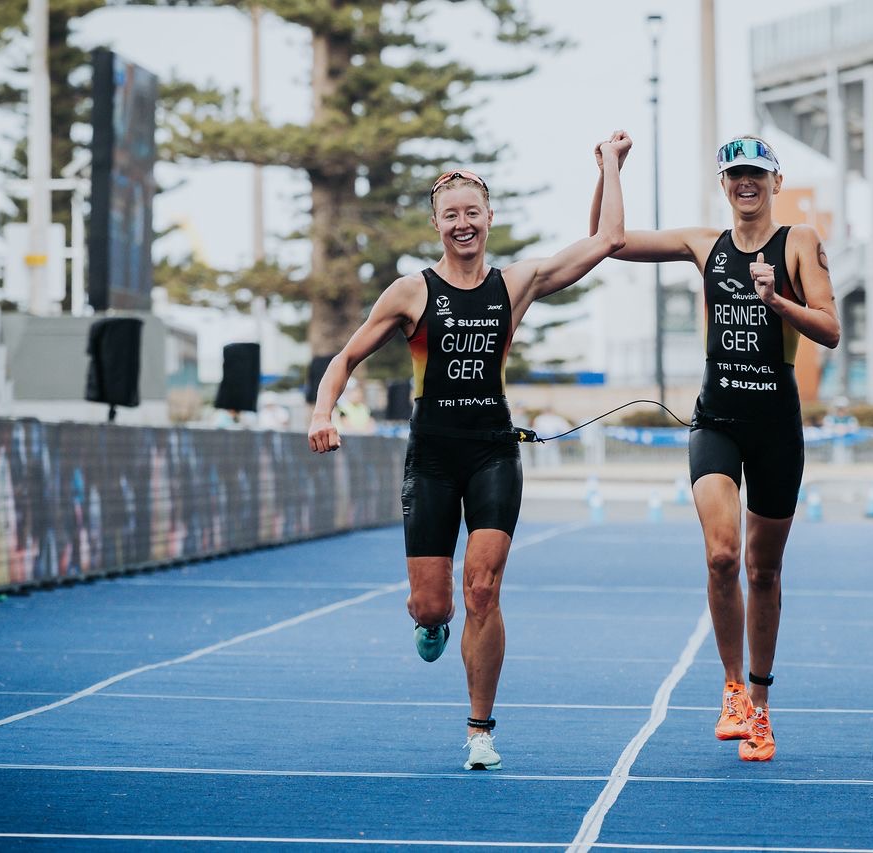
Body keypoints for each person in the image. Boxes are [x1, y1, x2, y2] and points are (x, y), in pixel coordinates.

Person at [309, 133, 629, 771]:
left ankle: (480, 729)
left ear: (489, 218)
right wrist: (324, 411)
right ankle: (430, 621)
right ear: (436, 224)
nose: (463, 223)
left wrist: (608, 169)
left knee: (483, 589)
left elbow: (608, 241)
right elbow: (344, 358)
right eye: (450, 214)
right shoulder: (411, 292)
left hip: (492, 453)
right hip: (430, 457)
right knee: (436, 603)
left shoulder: (518, 284)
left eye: (472, 212)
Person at [590, 134, 839, 761]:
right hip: (716, 421)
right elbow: (607, 240)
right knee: (723, 556)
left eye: (756, 173)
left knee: (764, 568)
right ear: (723, 185)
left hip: (777, 425)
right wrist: (610, 169)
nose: (744, 183)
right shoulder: (705, 245)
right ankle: (732, 689)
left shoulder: (800, 242)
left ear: (775, 182)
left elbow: (831, 329)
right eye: (734, 174)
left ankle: (760, 704)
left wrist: (776, 300)